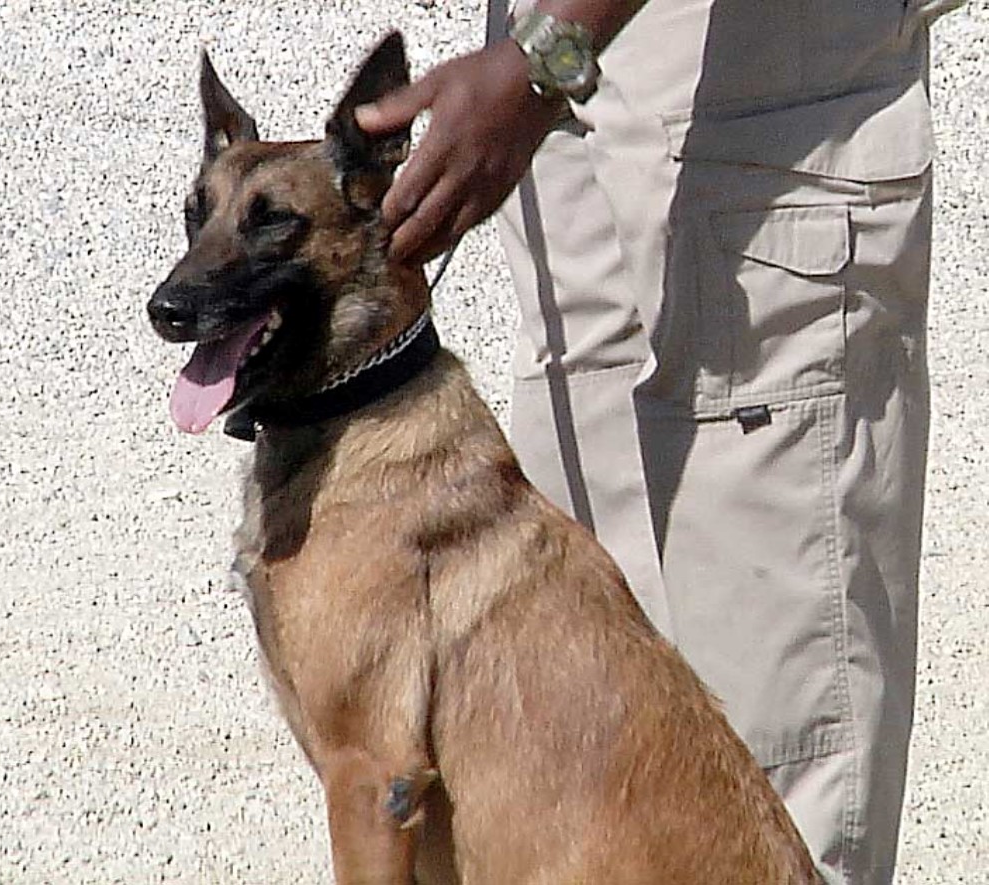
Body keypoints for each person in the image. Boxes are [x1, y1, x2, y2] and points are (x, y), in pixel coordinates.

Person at [356, 0, 966, 882]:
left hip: (741, 67)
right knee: (580, 769)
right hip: (570, 73)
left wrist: (543, 52)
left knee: (769, 798)